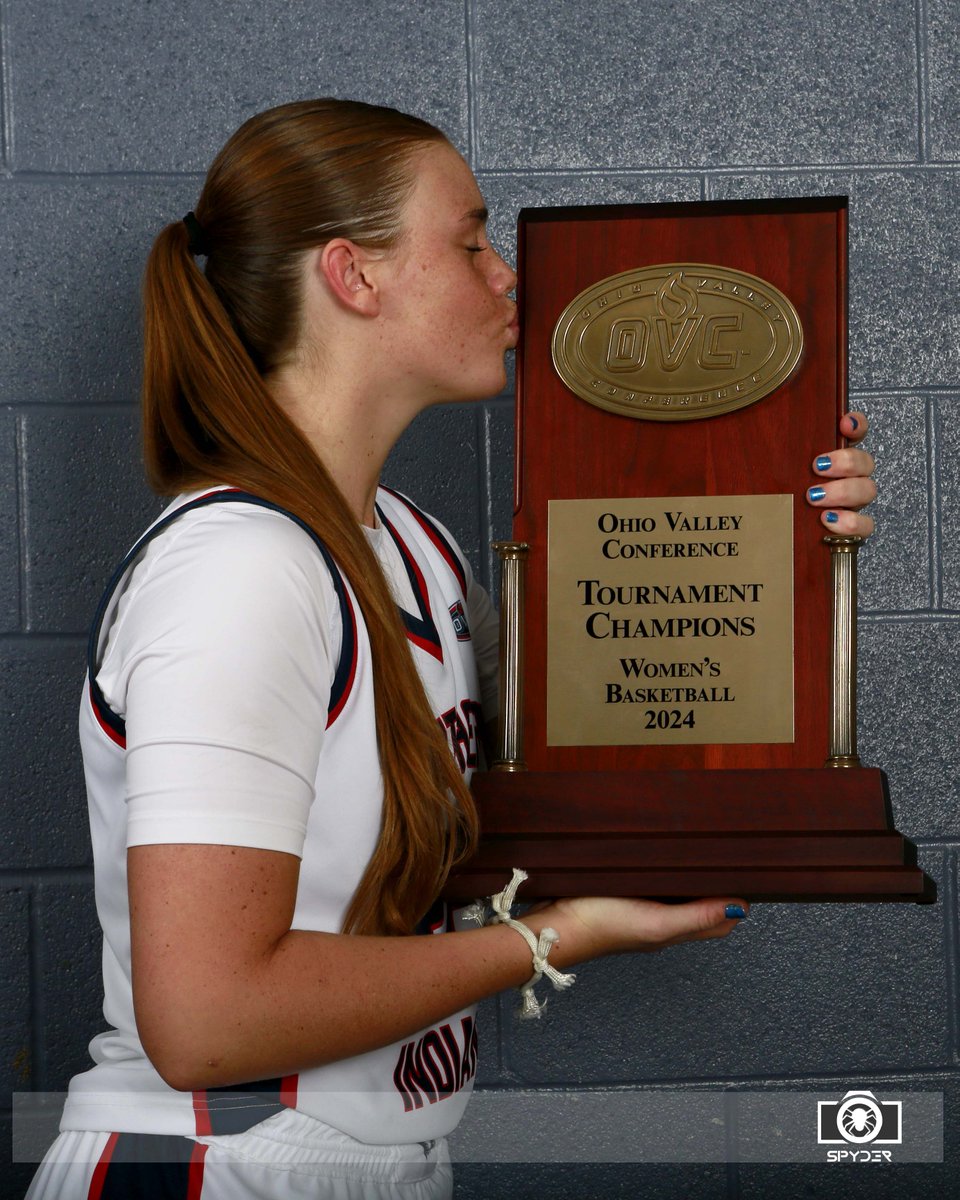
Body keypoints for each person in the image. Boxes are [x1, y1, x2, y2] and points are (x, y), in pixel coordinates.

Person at [26, 98, 877, 1200]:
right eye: (471, 242)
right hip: (217, 1160)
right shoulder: (240, 573)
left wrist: (786, 533)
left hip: (368, 1159)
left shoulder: (413, 546)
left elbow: (611, 730)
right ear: (353, 275)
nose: (506, 276)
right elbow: (207, 1021)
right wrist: (553, 938)